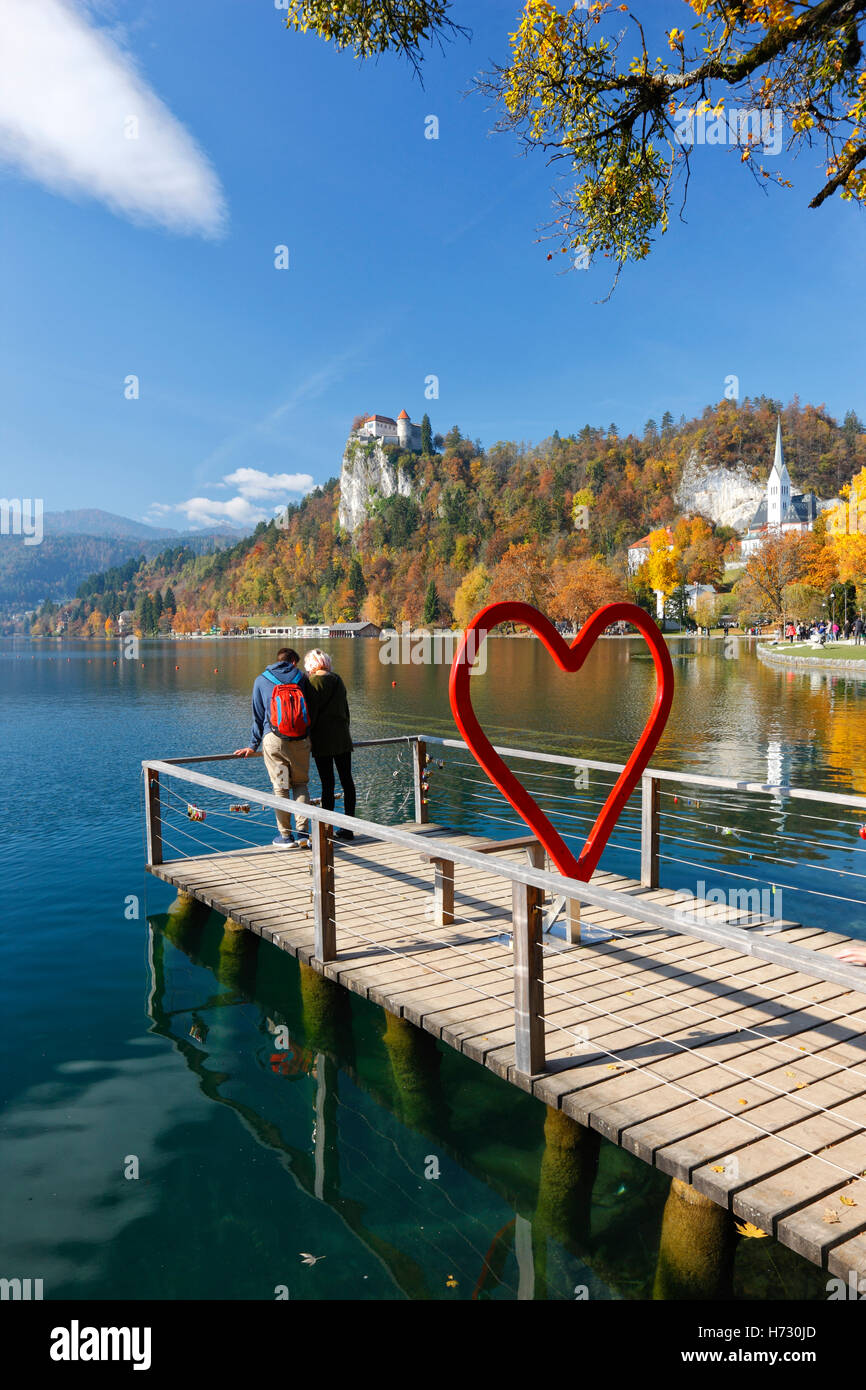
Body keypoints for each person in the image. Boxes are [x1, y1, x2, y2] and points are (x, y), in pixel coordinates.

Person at [233, 647, 313, 848]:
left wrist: (253, 745)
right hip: (300, 740)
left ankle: (285, 837)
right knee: (301, 784)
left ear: (277, 660)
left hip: (274, 741)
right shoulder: (301, 677)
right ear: (293, 662)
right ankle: (303, 834)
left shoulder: (261, 679)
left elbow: (258, 716)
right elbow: (311, 709)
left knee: (281, 788)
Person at [304, 649, 356, 840]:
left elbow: (312, 713)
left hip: (322, 739)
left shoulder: (312, 683)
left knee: (328, 784)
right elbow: (345, 708)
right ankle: (349, 826)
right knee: (347, 781)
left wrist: (308, 734)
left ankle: (327, 829)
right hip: (342, 737)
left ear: (311, 665)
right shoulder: (338, 679)